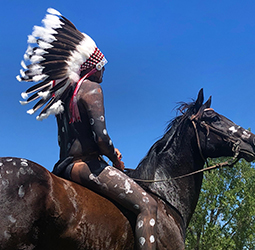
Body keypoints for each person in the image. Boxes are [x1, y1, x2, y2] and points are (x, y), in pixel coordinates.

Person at [17, 8, 157, 249]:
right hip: (86, 166)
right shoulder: (91, 89)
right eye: (102, 66)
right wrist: (115, 157)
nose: (103, 71)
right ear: (92, 66)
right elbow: (101, 138)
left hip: (62, 166)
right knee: (148, 205)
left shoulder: (63, 96)